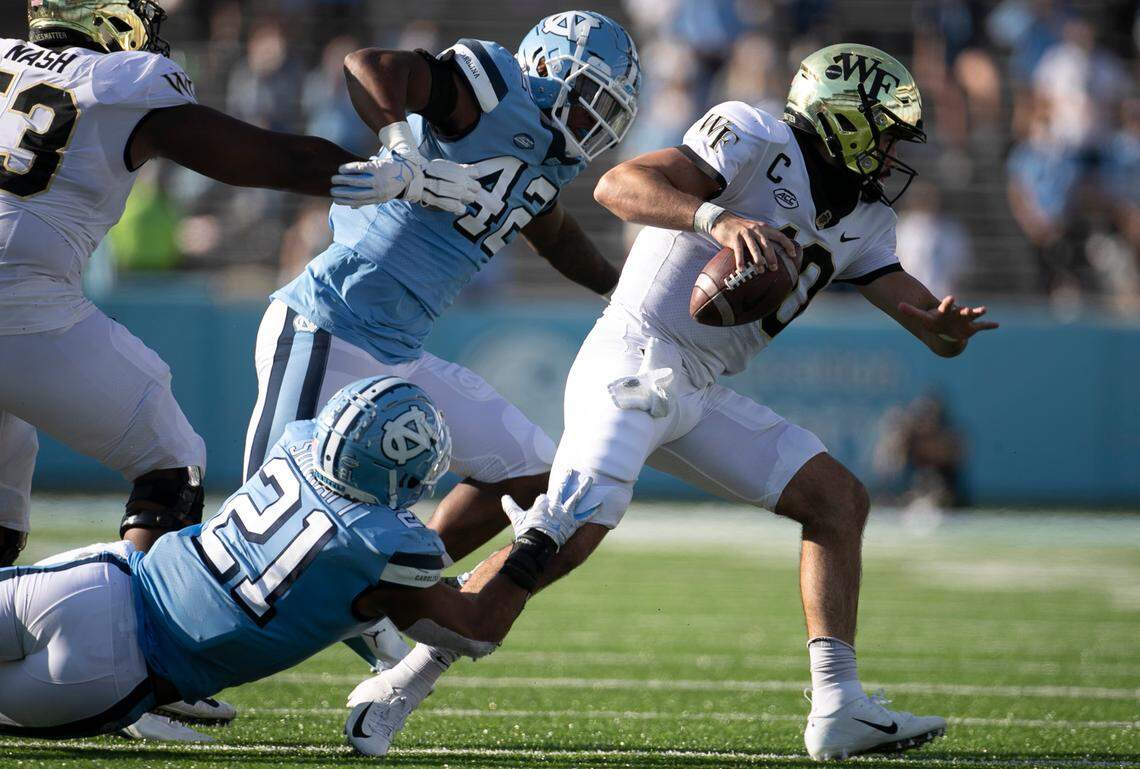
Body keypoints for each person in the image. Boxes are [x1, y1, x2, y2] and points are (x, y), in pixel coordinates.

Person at [355, 44, 999, 761]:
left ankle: (839, 703)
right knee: (570, 527)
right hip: (633, 354)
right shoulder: (754, 135)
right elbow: (618, 186)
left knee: (838, 498)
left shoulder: (866, 220)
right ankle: (402, 679)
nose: (891, 155)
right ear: (842, 120)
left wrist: (945, 331)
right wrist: (715, 220)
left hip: (695, 386)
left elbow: (920, 312)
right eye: (884, 133)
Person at [0, 0, 456, 729]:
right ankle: (147, 671)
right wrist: (397, 178)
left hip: (22, 302)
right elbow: (269, 159)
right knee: (169, 455)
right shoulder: (122, 78)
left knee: (3, 484)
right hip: (23, 306)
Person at [241, 10, 639, 668]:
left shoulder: (545, 156)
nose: (597, 118)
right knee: (259, 532)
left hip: (397, 355)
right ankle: (157, 663)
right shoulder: (496, 89)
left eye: (610, 108)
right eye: (593, 94)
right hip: (327, 324)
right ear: (549, 69)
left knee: (532, 471)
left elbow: (559, 238)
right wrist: (399, 145)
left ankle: (384, 584)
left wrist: (628, 293)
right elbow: (373, 65)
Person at [0, 376, 583, 747]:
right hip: (118, 671)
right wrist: (535, 546)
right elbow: (476, 631)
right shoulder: (388, 545)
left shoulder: (298, 441)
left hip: (96, 582)